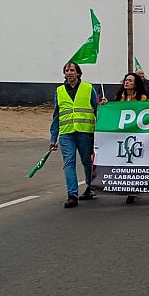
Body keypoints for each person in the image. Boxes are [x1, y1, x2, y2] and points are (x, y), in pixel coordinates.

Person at [49, 62, 99, 208]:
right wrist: (53, 137)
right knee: (69, 163)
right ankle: (72, 194)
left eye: (72, 70)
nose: (69, 73)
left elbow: (97, 110)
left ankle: (90, 188)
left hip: (85, 132)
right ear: (64, 73)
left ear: (78, 73)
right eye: (67, 70)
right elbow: (56, 115)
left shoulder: (88, 88)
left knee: (86, 162)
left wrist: (100, 132)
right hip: (66, 133)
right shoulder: (59, 91)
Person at [112, 72, 148, 204]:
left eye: (130, 81)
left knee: (135, 160)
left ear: (136, 84)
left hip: (137, 134)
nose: (127, 82)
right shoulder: (118, 97)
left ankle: (133, 189)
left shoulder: (142, 98)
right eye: (126, 80)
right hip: (121, 135)